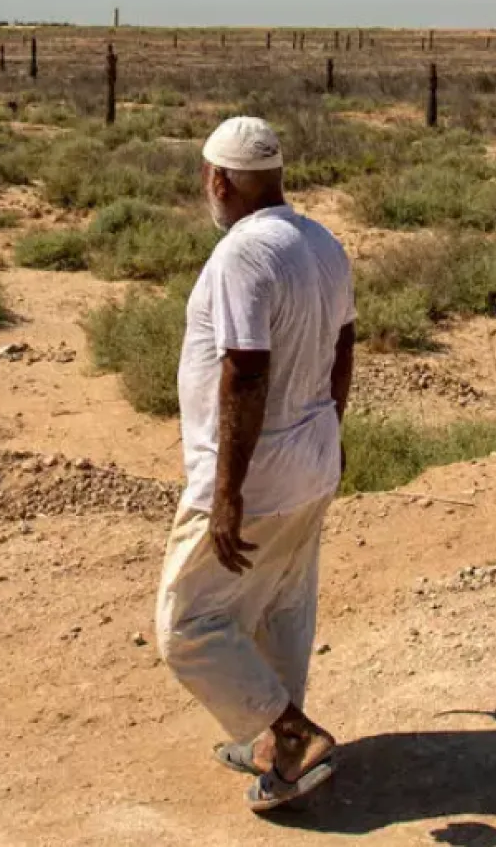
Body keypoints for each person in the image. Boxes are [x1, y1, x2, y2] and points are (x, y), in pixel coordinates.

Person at [155, 116, 356, 812]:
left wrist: (228, 493)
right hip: (312, 458)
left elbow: (244, 368)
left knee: (188, 624)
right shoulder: (321, 241)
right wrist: (333, 426)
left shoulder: (243, 255)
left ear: (218, 179)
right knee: (281, 605)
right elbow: (344, 344)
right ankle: (278, 750)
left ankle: (287, 733)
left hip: (259, 473)